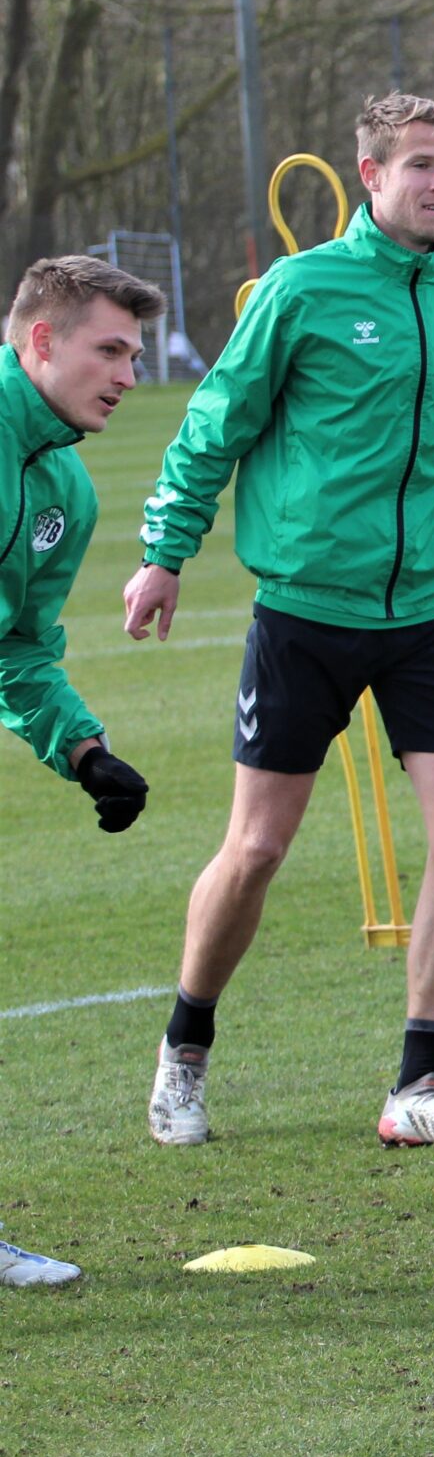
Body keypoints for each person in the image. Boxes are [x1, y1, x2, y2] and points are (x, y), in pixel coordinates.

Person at [122, 92, 434, 1149]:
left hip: (429, 611)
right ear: (370, 175)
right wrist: (164, 554)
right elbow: (215, 427)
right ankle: (185, 1053)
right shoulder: (301, 289)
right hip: (305, 612)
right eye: (420, 165)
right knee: (255, 848)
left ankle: (417, 1089)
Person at [1, 253, 168, 1290]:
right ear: (40, 343)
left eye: (135, 353)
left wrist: (82, 748)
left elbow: (17, 648)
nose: (128, 372)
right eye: (110, 349)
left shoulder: (62, 482)